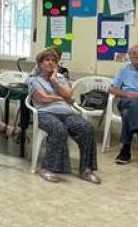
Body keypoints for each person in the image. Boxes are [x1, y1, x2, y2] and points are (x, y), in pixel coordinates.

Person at [28, 49, 100, 184]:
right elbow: (43, 98)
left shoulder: (61, 78)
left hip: (66, 113)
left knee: (86, 128)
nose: (51, 63)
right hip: (45, 113)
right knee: (59, 129)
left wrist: (54, 80)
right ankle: (47, 168)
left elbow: (68, 95)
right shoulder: (34, 79)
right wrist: (61, 99)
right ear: (40, 64)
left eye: (53, 61)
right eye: (47, 60)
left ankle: (86, 169)